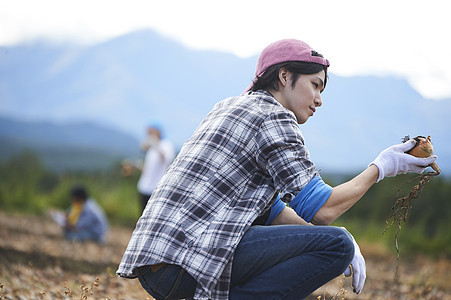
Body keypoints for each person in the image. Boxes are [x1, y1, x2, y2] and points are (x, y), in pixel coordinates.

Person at [117, 39, 437, 299]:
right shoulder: (273, 115)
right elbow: (323, 209)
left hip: (157, 263)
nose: (319, 99)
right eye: (315, 85)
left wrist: (316, 237)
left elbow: (273, 211)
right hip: (186, 262)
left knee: (330, 240)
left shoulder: (228, 106)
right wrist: (383, 166)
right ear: (285, 76)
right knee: (336, 243)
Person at [137, 124, 175, 213]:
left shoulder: (166, 145)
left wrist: (155, 143)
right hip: (144, 187)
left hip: (156, 188)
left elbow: (167, 159)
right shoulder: (151, 147)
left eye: (150, 132)